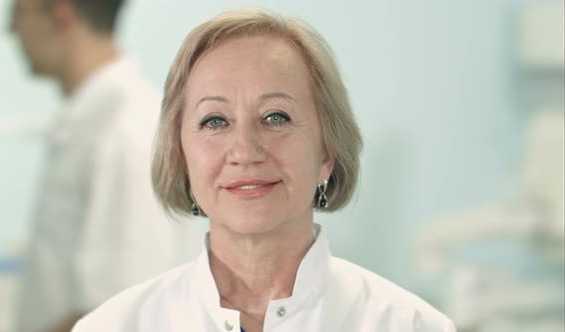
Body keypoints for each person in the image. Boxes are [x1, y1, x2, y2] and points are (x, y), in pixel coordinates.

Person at [73, 9, 457, 332]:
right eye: (214, 121)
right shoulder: (112, 326)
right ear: (180, 155)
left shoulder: (411, 325)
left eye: (276, 117)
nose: (245, 150)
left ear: (327, 151)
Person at [8, 0, 201, 331]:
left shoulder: (128, 132)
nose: (10, 30)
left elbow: (122, 313)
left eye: (18, 14)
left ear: (62, 15)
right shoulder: (94, 124)